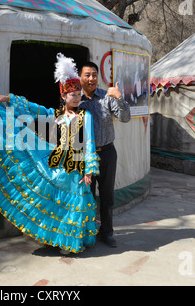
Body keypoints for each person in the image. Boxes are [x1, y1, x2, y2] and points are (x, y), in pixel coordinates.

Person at [0, 53, 100, 254]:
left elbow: (89, 143)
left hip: (76, 165)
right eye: (72, 94)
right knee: (57, 203)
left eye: (78, 94)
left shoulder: (86, 115)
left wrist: (89, 170)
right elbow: (34, 109)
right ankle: (55, 239)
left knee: (75, 203)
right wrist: (9, 99)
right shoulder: (56, 115)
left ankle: (71, 242)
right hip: (59, 163)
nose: (76, 97)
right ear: (64, 96)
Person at [78, 61, 131, 248]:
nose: (91, 79)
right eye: (87, 75)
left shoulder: (107, 97)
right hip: (85, 157)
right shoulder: (76, 100)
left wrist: (119, 98)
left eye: (94, 75)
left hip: (107, 152)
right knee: (88, 196)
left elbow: (125, 118)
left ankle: (107, 232)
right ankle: (89, 233)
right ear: (80, 78)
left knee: (107, 196)